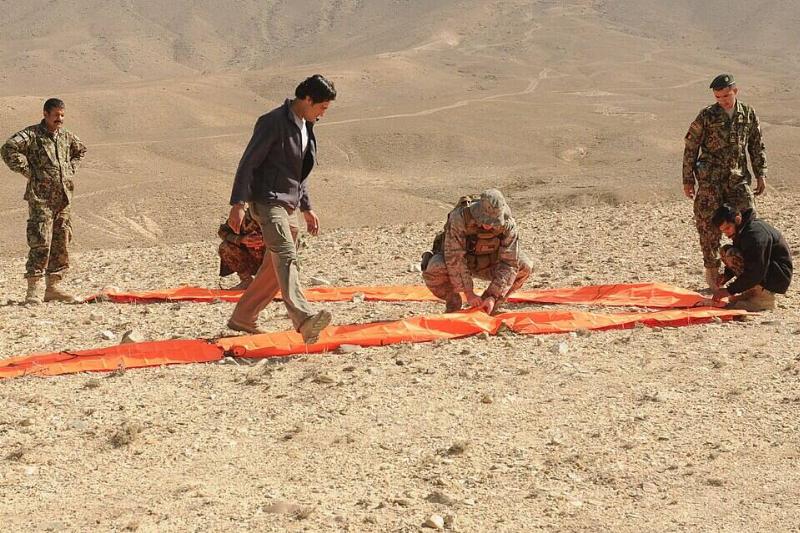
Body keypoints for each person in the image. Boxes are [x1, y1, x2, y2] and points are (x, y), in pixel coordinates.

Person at [225, 75, 335, 343]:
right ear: (307, 99)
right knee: (285, 254)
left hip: (289, 204)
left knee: (275, 266)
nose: (322, 113)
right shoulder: (272, 122)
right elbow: (248, 163)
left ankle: (243, 317)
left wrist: (307, 207)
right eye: (321, 107)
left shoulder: (306, 126)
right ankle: (304, 319)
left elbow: (299, 172)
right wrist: (238, 204)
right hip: (267, 200)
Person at [683, 73, 767, 291]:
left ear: (735, 91)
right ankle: (712, 274)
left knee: (748, 222)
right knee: (707, 226)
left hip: (737, 179)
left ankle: (750, 274)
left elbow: (756, 146)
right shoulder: (707, 116)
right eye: (718, 97)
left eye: (726, 95)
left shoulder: (748, 114)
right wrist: (688, 179)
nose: (723, 100)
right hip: (710, 180)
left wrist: (761, 174)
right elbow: (691, 147)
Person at [1, 98, 86, 304]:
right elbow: (8, 149)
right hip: (41, 199)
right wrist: (28, 171)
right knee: (40, 240)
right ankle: (33, 289)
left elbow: (80, 150)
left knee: (61, 240)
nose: (60, 119)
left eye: (62, 115)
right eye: (56, 115)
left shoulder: (65, 137)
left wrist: (69, 169)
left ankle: (54, 287)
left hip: (63, 198)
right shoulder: (32, 135)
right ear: (46, 114)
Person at [421, 189, 532, 314]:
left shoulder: (508, 224)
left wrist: (493, 296)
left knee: (525, 266)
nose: (488, 226)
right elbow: (455, 257)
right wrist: (469, 293)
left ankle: (488, 306)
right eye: (485, 220)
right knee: (435, 267)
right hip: (462, 265)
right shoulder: (460, 218)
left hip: (490, 264)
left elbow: (509, 263)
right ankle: (453, 302)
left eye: (493, 222)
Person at [710, 204, 792, 311]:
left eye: (728, 228)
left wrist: (729, 291)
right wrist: (726, 276)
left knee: (731, 254)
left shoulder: (754, 234)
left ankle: (764, 299)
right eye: (723, 231)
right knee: (726, 251)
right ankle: (754, 290)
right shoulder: (743, 229)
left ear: (737, 219)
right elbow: (746, 256)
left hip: (777, 277)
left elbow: (756, 269)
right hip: (766, 270)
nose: (727, 233)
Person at [218, 207, 264, 290]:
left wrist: (267, 240)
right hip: (249, 258)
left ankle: (276, 283)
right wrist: (241, 239)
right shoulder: (242, 217)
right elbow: (223, 231)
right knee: (225, 247)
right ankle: (247, 281)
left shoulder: (276, 217)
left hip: (270, 259)